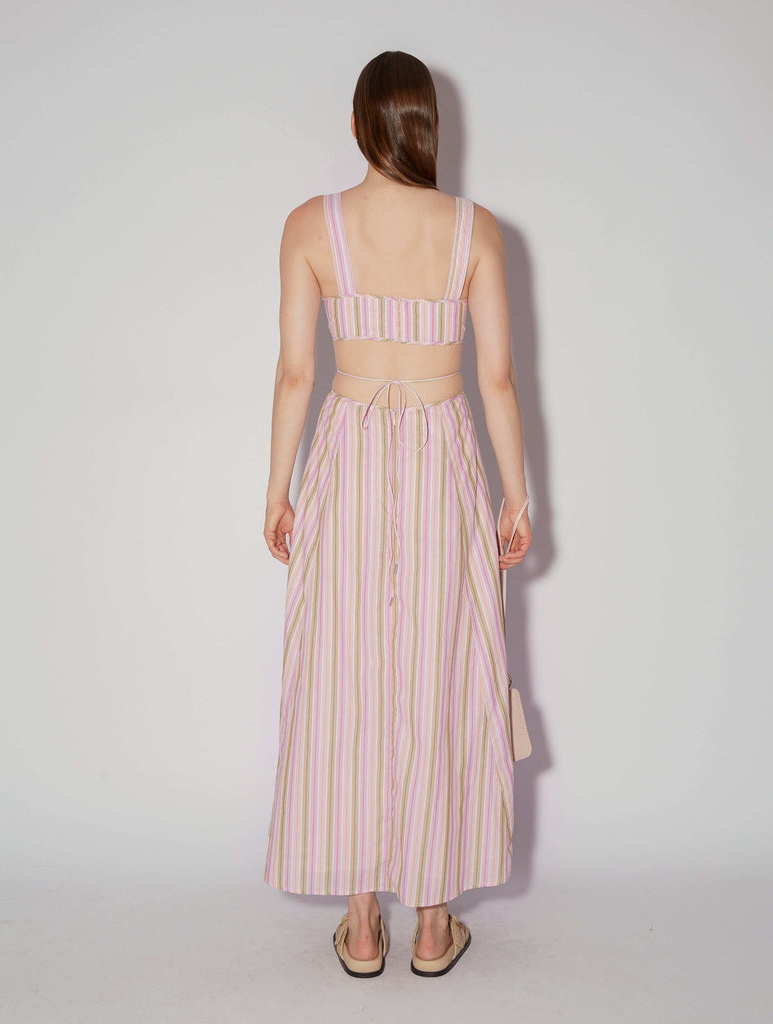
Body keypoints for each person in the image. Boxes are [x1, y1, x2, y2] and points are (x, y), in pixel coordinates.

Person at [262, 50, 531, 979]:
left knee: (345, 670)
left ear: (357, 126)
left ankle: (363, 921)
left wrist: (277, 488)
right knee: (442, 666)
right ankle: (433, 924)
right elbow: (497, 378)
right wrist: (517, 494)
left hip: (345, 453)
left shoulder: (310, 226)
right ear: (428, 127)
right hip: (444, 456)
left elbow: (297, 372)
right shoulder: (474, 229)